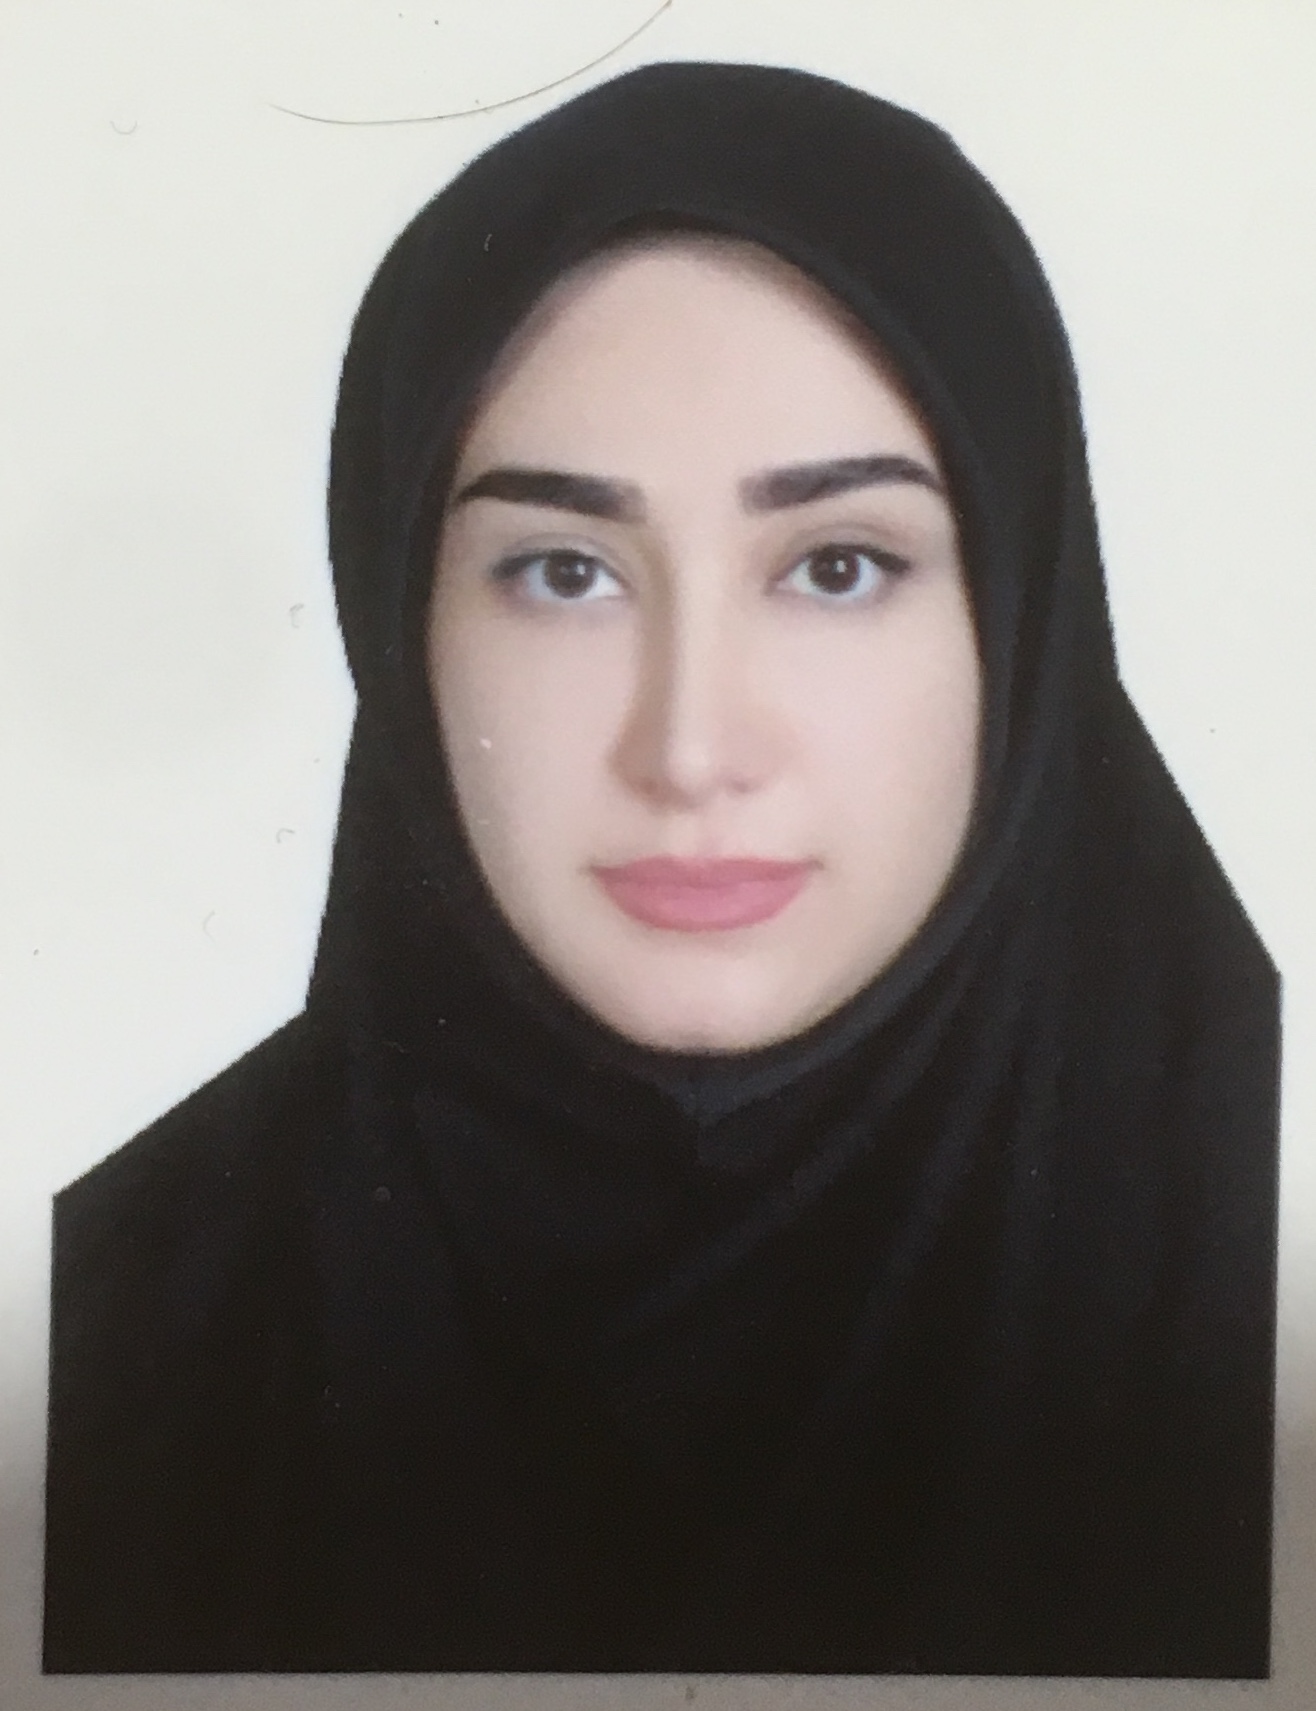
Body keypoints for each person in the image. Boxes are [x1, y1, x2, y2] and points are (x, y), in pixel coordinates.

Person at [44, 61, 1279, 1677]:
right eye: (565, 573)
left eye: (839, 567)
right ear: (400, 623)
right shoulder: (96, 1335)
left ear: (1019, 614)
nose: (690, 747)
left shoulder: (1273, 1251)